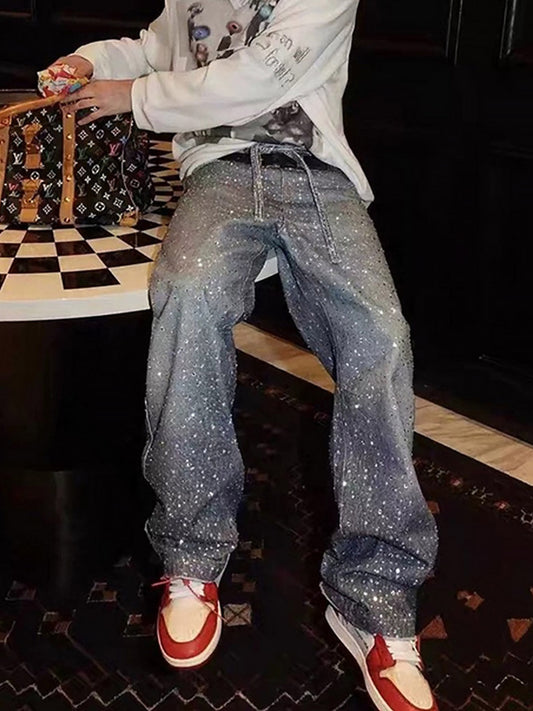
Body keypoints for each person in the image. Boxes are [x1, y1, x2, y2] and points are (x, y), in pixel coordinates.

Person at [52, 1, 439, 709]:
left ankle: (376, 598)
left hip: (316, 175)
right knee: (187, 295)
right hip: (220, 173)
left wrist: (133, 97)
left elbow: (261, 73)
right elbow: (149, 47)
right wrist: (88, 61)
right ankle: (191, 554)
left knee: (381, 337)